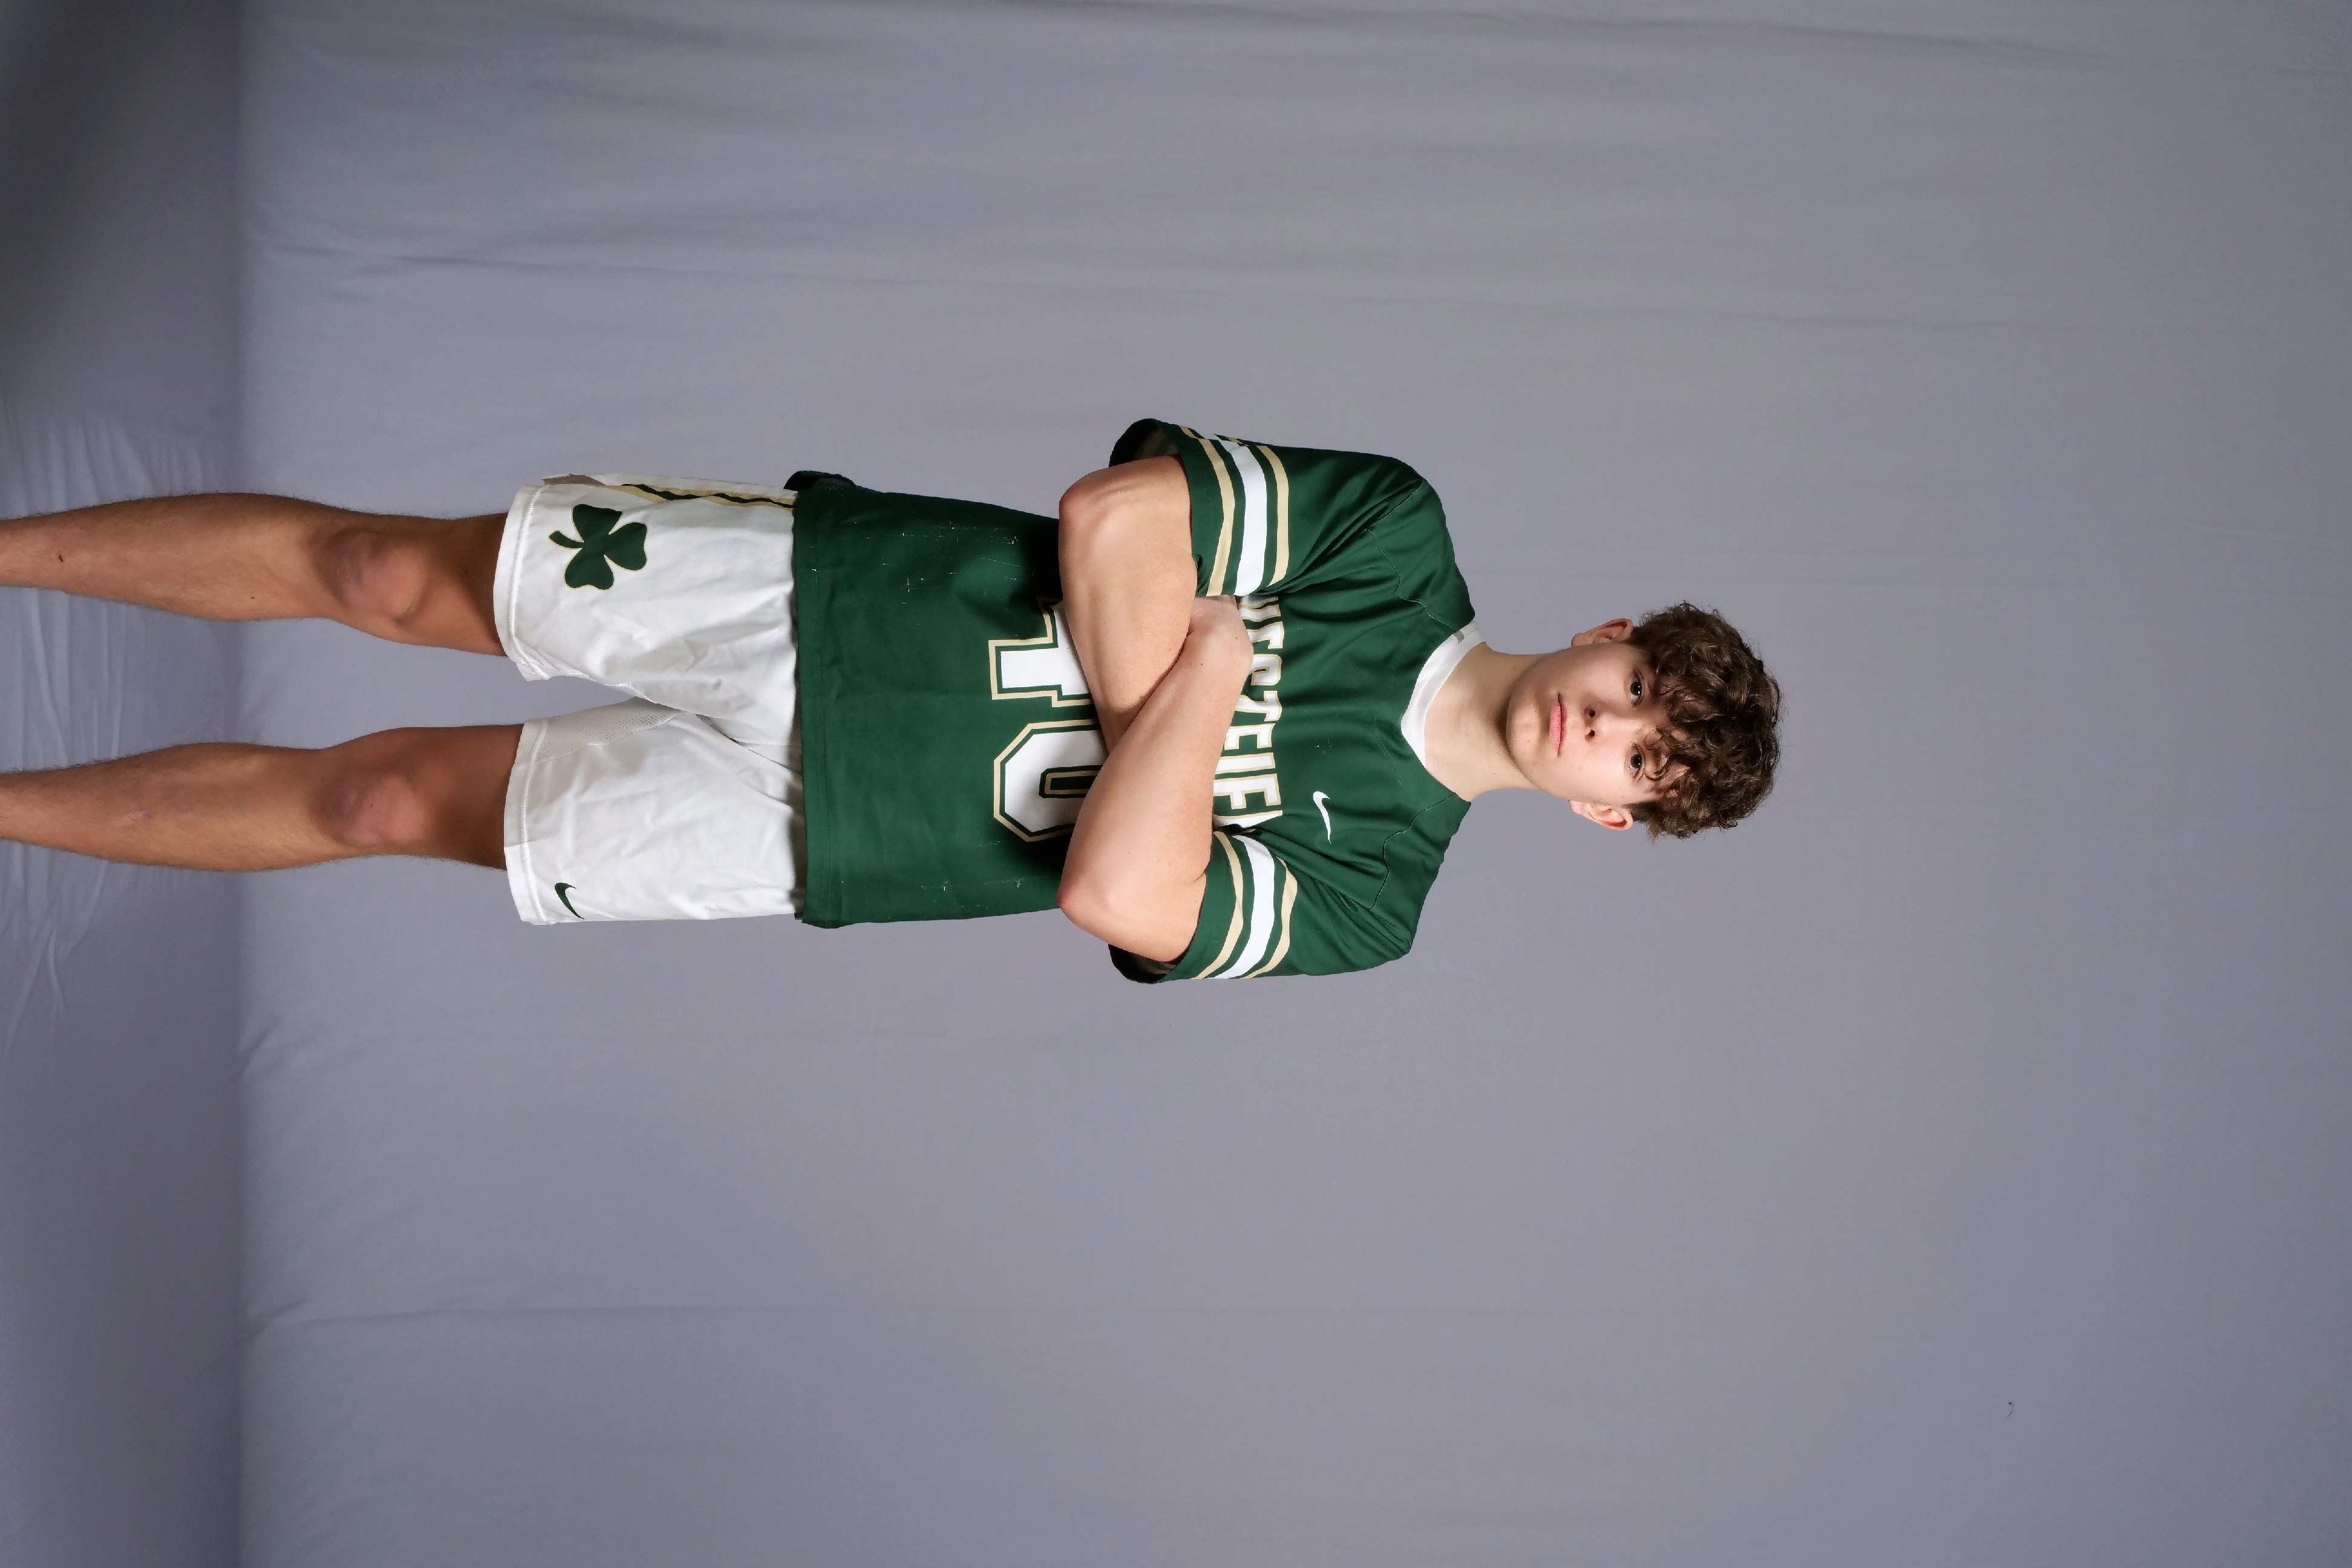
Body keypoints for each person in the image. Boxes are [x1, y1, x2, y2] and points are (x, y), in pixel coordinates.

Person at [0, 420, 1780, 980]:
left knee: (379, 801)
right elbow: (1111, 520)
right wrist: (1172, 755)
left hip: (837, 831)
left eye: (1640, 759)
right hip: (837, 597)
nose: (1606, 724)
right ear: (1609, 632)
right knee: (385, 572)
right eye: (1636, 687)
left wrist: (1218, 656)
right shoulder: (1393, 538)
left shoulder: (1374, 892)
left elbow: (1114, 894)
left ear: (1607, 813)